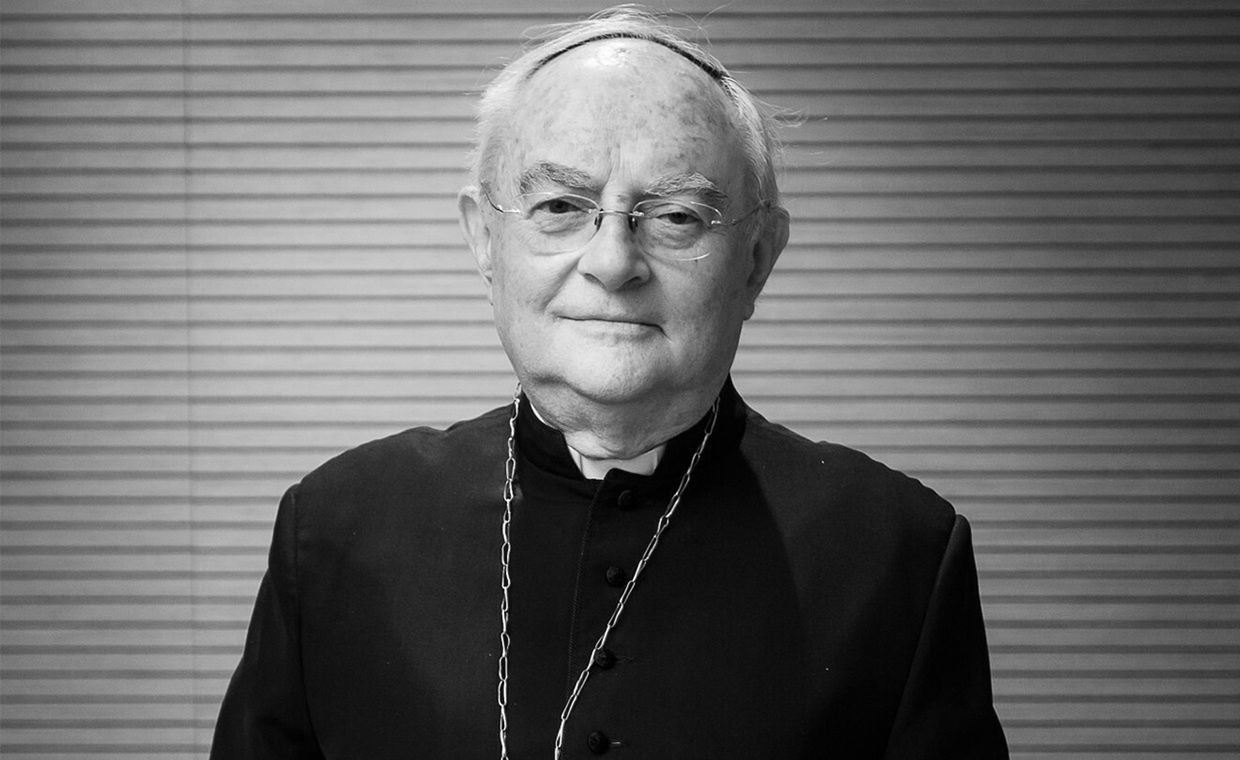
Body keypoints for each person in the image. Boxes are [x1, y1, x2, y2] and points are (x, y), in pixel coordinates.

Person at [211, 7, 1009, 759]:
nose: (614, 262)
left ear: (758, 259)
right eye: (562, 206)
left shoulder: (895, 553)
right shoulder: (336, 532)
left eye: (677, 217)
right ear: (484, 240)